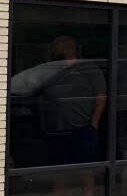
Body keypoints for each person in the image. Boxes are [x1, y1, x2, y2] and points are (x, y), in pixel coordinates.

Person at [43, 35, 107, 165]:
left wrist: (94, 124)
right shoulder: (53, 69)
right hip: (56, 128)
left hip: (82, 127)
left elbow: (101, 96)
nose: (54, 51)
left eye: (56, 47)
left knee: (84, 167)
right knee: (58, 168)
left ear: (69, 49)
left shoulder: (88, 68)